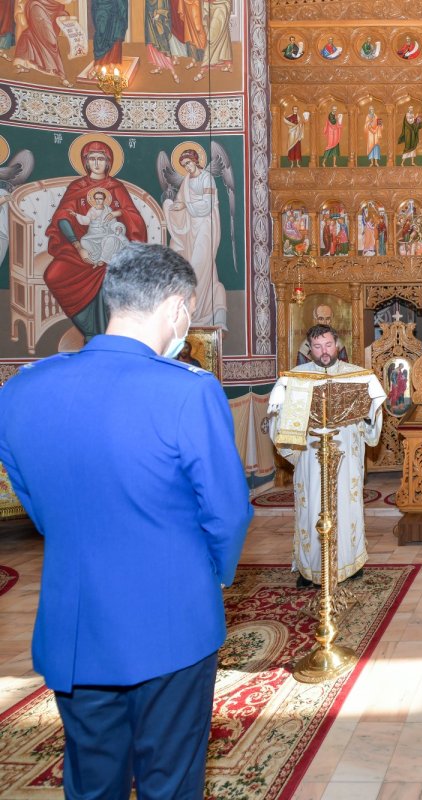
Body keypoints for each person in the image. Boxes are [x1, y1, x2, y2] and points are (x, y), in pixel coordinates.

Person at [0, 242, 252, 798]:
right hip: (173, 623)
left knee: (91, 782)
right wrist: (210, 573)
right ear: (177, 308)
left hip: (75, 628)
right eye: (190, 311)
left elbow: (38, 507)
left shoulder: (20, 391)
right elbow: (228, 512)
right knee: (170, 781)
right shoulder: (188, 391)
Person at [269, 325, 385, 587]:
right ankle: (310, 568)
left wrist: (368, 413)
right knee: (311, 507)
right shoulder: (296, 378)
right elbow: (278, 417)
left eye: (328, 345)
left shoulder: (357, 375)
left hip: (346, 454)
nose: (324, 351)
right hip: (310, 455)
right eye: (317, 346)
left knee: (346, 505)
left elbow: (375, 412)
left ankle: (350, 563)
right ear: (310, 348)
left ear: (337, 345)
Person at [46, 140, 149, 343]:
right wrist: (78, 246)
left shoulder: (116, 187)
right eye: (92, 158)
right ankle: (88, 327)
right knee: (53, 275)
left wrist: (119, 214)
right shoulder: (77, 187)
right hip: (82, 244)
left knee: (109, 271)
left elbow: (133, 216)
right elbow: (63, 217)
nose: (96, 163)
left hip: (112, 244)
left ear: (108, 162)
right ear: (85, 162)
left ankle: (107, 331)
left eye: (100, 158)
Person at [166, 147, 227, 329]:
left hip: (206, 226)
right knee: (192, 264)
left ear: (195, 161)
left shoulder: (206, 178)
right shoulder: (186, 181)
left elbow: (208, 203)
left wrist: (186, 205)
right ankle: (192, 310)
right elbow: (180, 201)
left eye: (189, 163)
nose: (187, 167)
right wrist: (174, 207)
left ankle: (200, 310)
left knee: (200, 263)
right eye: (184, 165)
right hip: (191, 228)